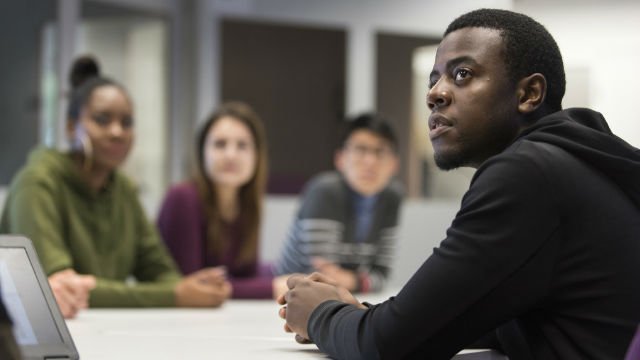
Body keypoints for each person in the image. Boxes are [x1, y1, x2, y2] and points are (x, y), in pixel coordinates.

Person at [277, 8, 640, 359]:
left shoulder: (527, 174)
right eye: (433, 78)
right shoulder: (576, 163)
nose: (435, 94)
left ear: (529, 94)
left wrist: (319, 313)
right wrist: (363, 314)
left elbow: (386, 348)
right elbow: (486, 316)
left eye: (462, 74)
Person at [0, 56, 231, 318]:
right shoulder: (37, 183)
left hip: (105, 331)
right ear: (71, 127)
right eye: (102, 119)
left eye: (127, 122)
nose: (117, 132)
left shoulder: (122, 188)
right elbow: (63, 290)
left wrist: (188, 289)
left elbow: (161, 272)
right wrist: (175, 295)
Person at [157, 102, 289, 299]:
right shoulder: (182, 198)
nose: (230, 155)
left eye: (242, 145)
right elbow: (195, 286)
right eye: (220, 144)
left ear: (257, 155)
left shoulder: (248, 204)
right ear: (202, 152)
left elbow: (247, 276)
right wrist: (271, 288)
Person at [273, 113, 402, 293]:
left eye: (380, 152)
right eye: (360, 149)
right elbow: (320, 278)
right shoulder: (324, 191)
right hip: (288, 299)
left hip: (346, 299)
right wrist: (359, 280)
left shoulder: (392, 197)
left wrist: (350, 280)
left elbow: (381, 276)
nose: (370, 161)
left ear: (394, 164)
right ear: (340, 158)